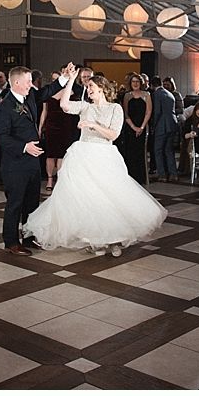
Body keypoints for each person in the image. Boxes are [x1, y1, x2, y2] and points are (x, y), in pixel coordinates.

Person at [23, 69, 168, 257]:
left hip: (104, 156)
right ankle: (95, 239)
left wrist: (93, 125)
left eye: (91, 86)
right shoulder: (85, 107)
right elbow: (64, 105)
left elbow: (113, 135)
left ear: (101, 88)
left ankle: (114, 238)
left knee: (108, 199)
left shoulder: (115, 108)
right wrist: (70, 80)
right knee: (87, 199)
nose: (88, 89)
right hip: (83, 155)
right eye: (87, 86)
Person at [0, 63, 73, 256]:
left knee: (31, 203)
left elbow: (47, 91)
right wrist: (24, 147)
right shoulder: (5, 106)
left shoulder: (29, 95)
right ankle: (11, 242)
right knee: (15, 203)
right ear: (16, 82)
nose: (32, 84)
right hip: (15, 163)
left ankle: (29, 238)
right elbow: (1, 136)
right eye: (28, 81)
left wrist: (64, 77)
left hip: (32, 161)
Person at [40, 69, 75, 192]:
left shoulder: (69, 91)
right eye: (53, 79)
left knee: (61, 154)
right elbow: (44, 111)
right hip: (51, 124)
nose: (55, 81)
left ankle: (59, 179)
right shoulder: (48, 93)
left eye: (58, 78)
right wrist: (40, 128)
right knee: (50, 154)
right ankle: (49, 179)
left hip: (65, 125)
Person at [119, 72, 152, 185]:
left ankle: (141, 178)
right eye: (133, 82)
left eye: (137, 81)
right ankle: (130, 177)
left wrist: (141, 127)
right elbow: (126, 114)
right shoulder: (127, 95)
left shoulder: (146, 95)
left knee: (140, 152)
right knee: (130, 152)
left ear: (141, 83)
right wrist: (133, 127)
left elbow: (148, 112)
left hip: (143, 126)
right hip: (130, 127)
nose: (135, 84)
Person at [150, 76, 179, 182]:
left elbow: (157, 111)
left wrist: (154, 124)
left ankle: (162, 175)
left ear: (152, 85)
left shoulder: (157, 94)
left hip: (162, 125)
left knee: (157, 150)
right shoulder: (169, 93)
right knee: (169, 150)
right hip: (172, 123)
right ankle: (173, 174)